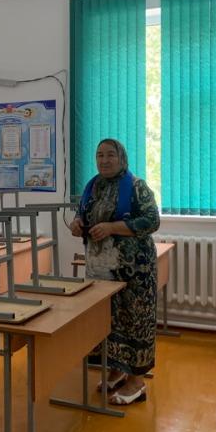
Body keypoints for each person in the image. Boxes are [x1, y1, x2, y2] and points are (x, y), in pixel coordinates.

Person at [70, 139, 160, 405]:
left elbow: (152, 220)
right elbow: (82, 214)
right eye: (99, 155)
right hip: (101, 268)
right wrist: (77, 223)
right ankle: (117, 369)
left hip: (135, 271)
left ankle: (137, 382)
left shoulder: (136, 186)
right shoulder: (93, 186)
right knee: (108, 320)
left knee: (133, 321)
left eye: (110, 155)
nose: (104, 160)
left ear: (122, 158)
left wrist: (112, 228)